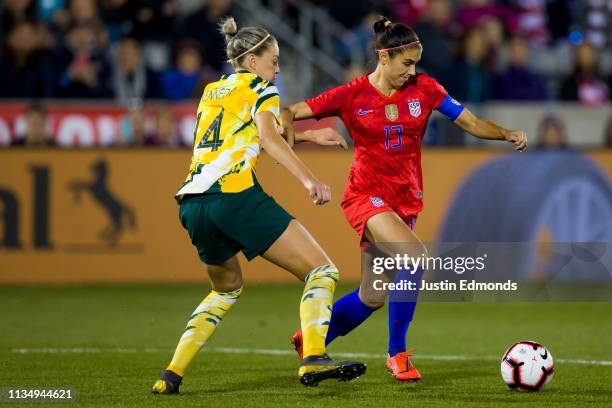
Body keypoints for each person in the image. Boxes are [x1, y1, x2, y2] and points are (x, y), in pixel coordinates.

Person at [281, 16, 527, 382]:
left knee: (372, 294)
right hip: (366, 196)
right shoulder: (351, 95)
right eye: (405, 64)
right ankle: (397, 354)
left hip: (405, 201)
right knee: (414, 256)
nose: (411, 72)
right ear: (383, 57)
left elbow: (471, 122)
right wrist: (300, 134)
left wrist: (505, 133)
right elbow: (289, 112)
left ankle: (314, 339)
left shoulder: (425, 88)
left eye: (416, 63)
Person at [151, 17, 366, 394]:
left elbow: (244, 137)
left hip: (192, 203)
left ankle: (171, 374)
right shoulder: (262, 87)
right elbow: (267, 137)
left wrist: (308, 134)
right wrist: (309, 179)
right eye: (274, 59)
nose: (278, 68)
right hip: (234, 196)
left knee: (225, 289)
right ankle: (314, 356)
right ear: (253, 62)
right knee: (322, 271)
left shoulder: (212, 91)